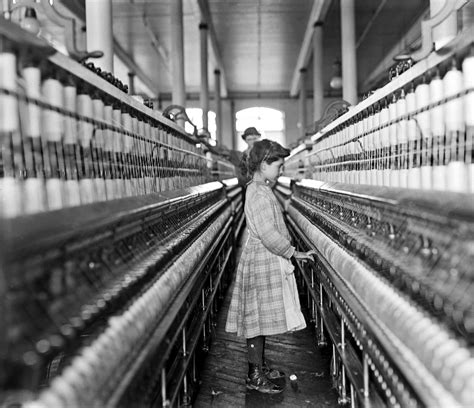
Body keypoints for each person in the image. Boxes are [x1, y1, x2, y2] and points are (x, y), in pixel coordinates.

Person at [225, 139, 316, 394]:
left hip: (263, 258)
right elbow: (267, 233)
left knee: (260, 319)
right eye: (279, 165)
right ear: (264, 164)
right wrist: (293, 252)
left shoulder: (260, 189)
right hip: (262, 260)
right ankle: (254, 375)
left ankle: (260, 367)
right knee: (256, 321)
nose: (282, 170)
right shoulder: (257, 192)